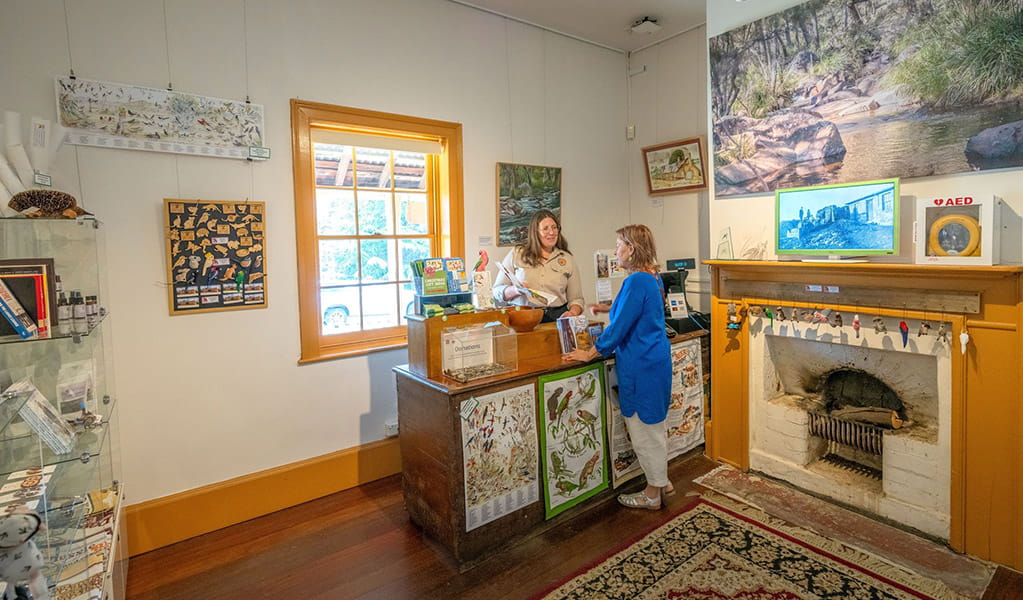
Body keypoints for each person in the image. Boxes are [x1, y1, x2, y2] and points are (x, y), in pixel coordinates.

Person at [564, 224, 673, 510]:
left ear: (631, 249)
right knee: (655, 426)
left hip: (641, 365)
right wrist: (606, 309)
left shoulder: (637, 280)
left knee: (643, 430)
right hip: (655, 360)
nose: (615, 252)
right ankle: (661, 480)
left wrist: (590, 353)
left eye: (618, 246)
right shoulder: (653, 277)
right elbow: (635, 309)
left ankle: (652, 493)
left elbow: (620, 327)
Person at [493, 210, 584, 323]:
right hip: (522, 318)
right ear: (535, 232)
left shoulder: (567, 259)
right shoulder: (517, 254)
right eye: (545, 228)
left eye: (554, 227)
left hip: (556, 319)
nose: (551, 232)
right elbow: (496, 292)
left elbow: (576, 299)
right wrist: (515, 290)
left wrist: (572, 313)